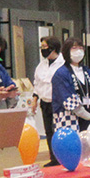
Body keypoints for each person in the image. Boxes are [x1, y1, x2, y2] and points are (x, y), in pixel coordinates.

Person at [53, 38, 90, 132]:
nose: (78, 51)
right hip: (69, 119)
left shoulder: (88, 72)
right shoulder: (61, 74)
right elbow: (67, 98)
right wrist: (87, 115)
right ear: (67, 51)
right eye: (74, 48)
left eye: (81, 48)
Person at [32, 35, 64, 165]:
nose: (43, 50)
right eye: (42, 47)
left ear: (53, 47)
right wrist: (35, 99)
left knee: (58, 130)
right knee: (48, 131)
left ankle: (61, 157)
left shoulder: (63, 63)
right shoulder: (41, 65)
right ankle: (53, 158)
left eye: (45, 47)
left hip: (58, 103)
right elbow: (37, 83)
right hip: (44, 102)